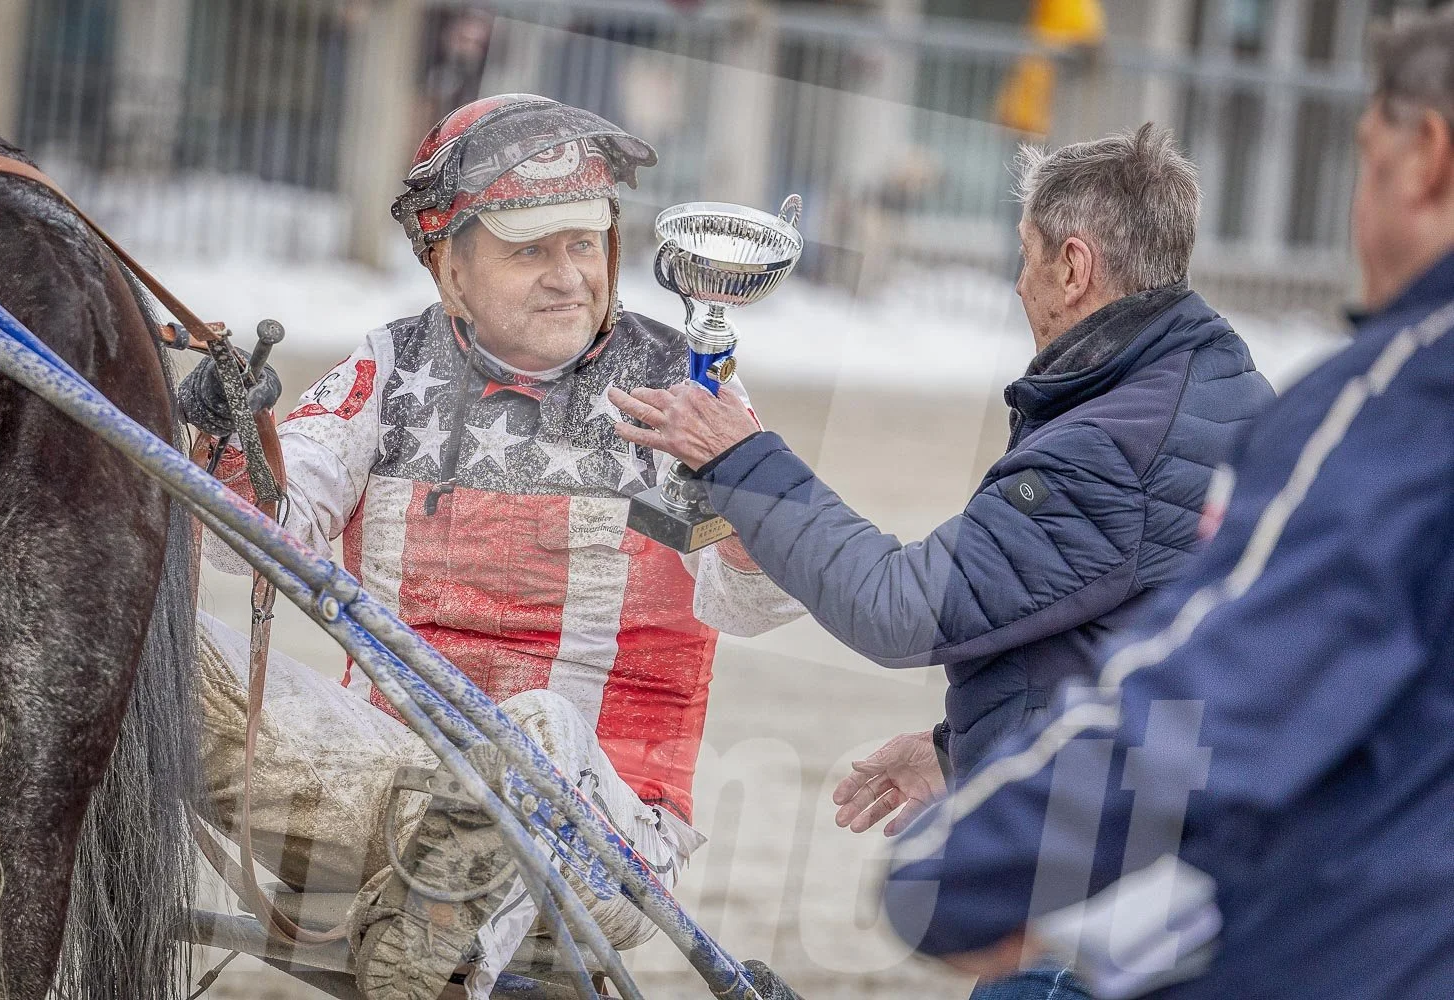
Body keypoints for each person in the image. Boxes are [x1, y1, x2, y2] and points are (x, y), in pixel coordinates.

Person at [610, 124, 1275, 999]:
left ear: (1074, 267)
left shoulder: (1113, 447)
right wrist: (964, 750)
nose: (1016, 281)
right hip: (1172, 858)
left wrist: (742, 458)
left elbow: (902, 607)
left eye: (1027, 255)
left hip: (1099, 900)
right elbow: (1118, 636)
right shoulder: (1209, 380)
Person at [872, 8, 1454, 998]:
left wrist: (959, 864)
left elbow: (1212, 687)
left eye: (1361, 156)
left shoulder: (1397, 402)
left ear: (1425, 158)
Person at [180, 94, 801, 1000]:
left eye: (583, 244)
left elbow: (753, 604)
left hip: (604, 832)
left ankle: (438, 940)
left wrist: (741, 498)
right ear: (450, 270)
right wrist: (231, 443)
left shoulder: (686, 384)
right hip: (387, 791)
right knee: (163, 650)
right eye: (528, 249)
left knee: (534, 724)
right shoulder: (387, 365)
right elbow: (256, 539)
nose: (568, 277)